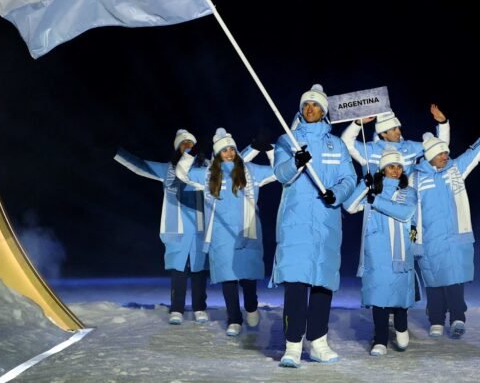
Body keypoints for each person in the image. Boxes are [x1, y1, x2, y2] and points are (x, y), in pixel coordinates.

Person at [114, 130, 262, 325]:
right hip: (177, 228)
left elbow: (232, 161)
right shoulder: (168, 170)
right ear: (177, 148)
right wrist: (117, 152)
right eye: (183, 144)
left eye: (191, 144)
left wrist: (254, 146)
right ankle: (177, 308)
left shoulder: (207, 169)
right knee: (178, 270)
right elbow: (140, 166)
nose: (187, 147)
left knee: (199, 270)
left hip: (201, 227)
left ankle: (200, 307)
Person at [271, 83, 357, 367]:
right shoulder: (288, 140)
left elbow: (349, 178)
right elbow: (280, 174)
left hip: (326, 222)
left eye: (316, 105)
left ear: (324, 111)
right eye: (306, 105)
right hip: (296, 222)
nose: (310, 109)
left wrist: (337, 194)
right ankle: (293, 346)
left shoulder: (337, 144)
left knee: (322, 283)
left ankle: (318, 342)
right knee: (296, 282)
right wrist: (296, 163)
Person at [175, 128, 276, 336]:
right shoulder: (208, 175)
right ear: (217, 153)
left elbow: (279, 172)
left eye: (232, 149)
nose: (229, 153)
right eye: (224, 150)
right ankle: (234, 319)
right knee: (228, 278)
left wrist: (270, 150)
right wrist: (190, 155)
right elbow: (182, 173)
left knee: (247, 277)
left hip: (247, 232)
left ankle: (251, 306)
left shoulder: (250, 171)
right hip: (221, 235)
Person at [413, 122, 480, 338]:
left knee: (454, 278)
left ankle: (457, 318)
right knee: (434, 281)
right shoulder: (415, 178)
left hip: (455, 237)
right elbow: (410, 213)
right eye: (441, 153)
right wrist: (413, 241)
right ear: (430, 156)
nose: (446, 156)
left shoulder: (454, 170)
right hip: (429, 240)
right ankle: (436, 320)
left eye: (446, 152)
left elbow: (475, 153)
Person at [344, 148, 418, 356]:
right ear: (383, 169)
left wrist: (375, 200)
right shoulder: (372, 190)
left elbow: (405, 213)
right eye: (391, 166)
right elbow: (349, 206)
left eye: (399, 167)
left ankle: (401, 327)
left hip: (400, 252)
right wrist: (364, 186)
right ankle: (380, 340)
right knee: (379, 295)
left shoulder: (408, 192)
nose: (395, 170)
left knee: (399, 293)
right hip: (376, 252)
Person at [341, 104, 450, 171]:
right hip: (380, 199)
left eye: (398, 128)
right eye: (394, 129)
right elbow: (345, 143)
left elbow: (440, 148)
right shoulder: (371, 150)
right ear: (383, 134)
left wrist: (443, 123)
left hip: (408, 198)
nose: (399, 132)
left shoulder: (410, 147)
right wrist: (357, 123)